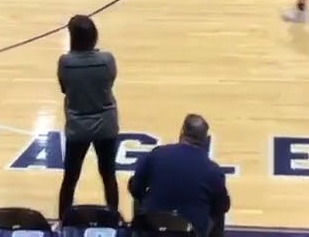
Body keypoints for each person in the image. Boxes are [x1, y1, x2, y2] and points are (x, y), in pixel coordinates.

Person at [56, 15, 119, 221]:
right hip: (105, 124)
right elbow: (110, 82)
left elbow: (65, 89)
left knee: (70, 178)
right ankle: (112, 219)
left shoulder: (65, 62)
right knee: (108, 175)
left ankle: (63, 220)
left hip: (78, 126)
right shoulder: (107, 60)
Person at [127, 114, 230, 237]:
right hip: (189, 232)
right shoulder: (213, 171)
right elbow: (223, 206)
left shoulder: (157, 154)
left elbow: (135, 188)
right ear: (206, 140)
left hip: (152, 228)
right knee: (218, 210)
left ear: (181, 133)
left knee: (137, 190)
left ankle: (136, 233)